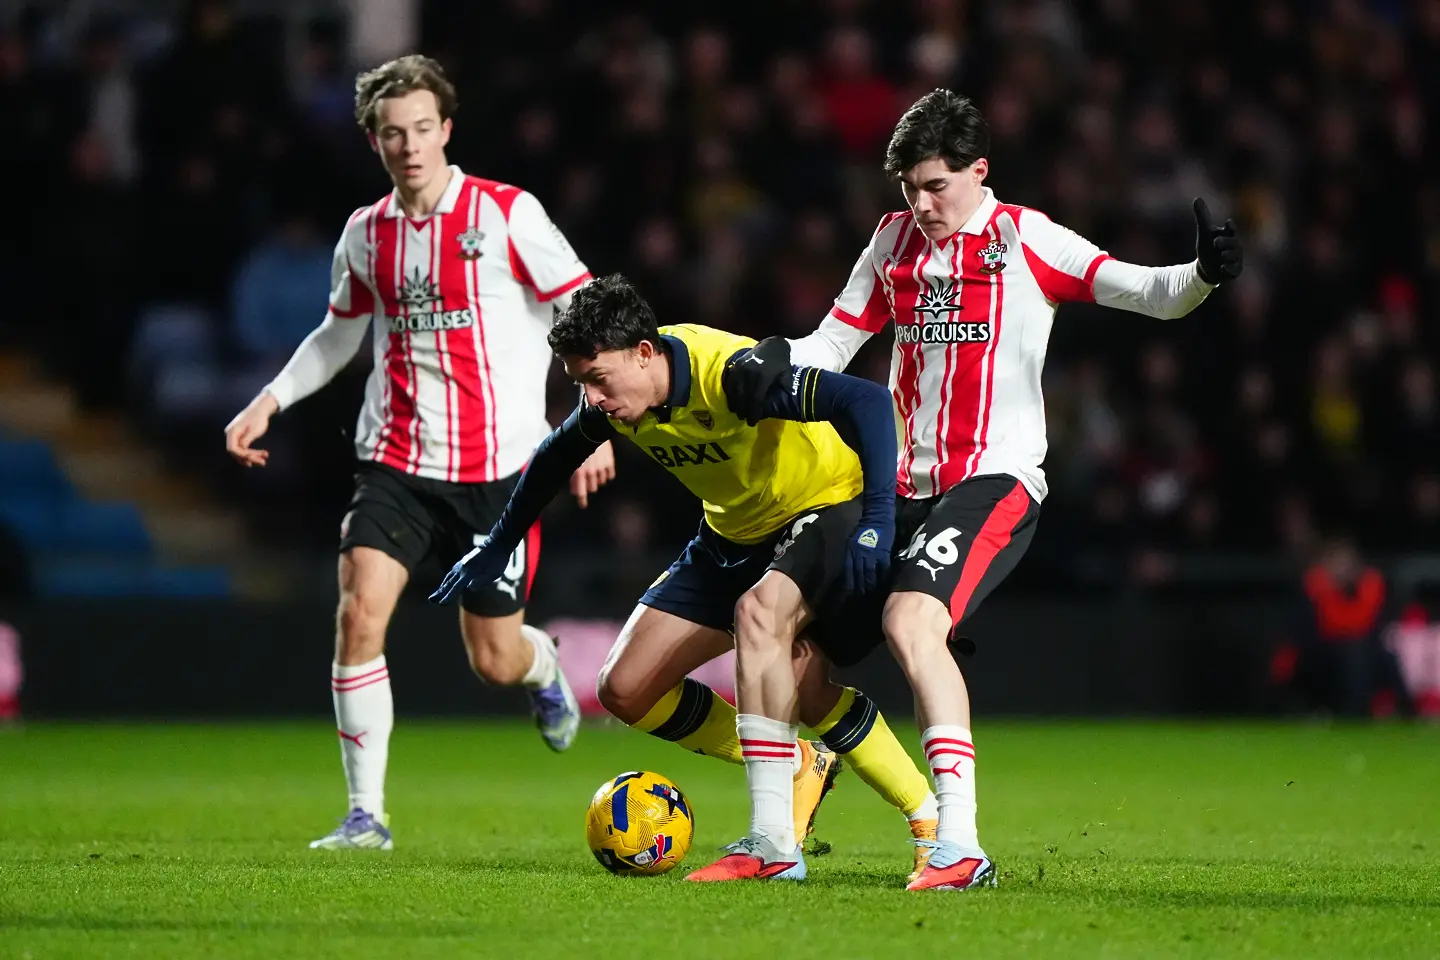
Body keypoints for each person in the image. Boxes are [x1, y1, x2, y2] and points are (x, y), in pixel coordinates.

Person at [734, 89, 1244, 891]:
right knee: (761, 611)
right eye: (908, 187)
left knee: (911, 621)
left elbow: (1146, 291)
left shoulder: (1025, 238)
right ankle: (770, 842)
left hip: (992, 480)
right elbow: (835, 339)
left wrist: (1204, 275)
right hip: (893, 485)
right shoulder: (893, 241)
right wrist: (771, 361)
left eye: (936, 186)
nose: (921, 203)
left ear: (980, 170)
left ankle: (959, 845)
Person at [222, 55, 615, 851]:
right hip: (395, 463)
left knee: (494, 660)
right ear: (374, 141)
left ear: (447, 130)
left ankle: (542, 668)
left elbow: (586, 309)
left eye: (422, 129)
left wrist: (587, 426)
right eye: (392, 133)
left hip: (501, 477)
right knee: (359, 613)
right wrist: (268, 400)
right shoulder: (367, 234)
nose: (409, 145)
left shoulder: (507, 215)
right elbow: (338, 333)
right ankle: (366, 815)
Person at [431, 275, 942, 883]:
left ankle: (846, 835)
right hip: (731, 533)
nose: (591, 399)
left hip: (824, 507)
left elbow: (863, 401)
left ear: (644, 353)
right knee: (626, 689)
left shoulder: (731, 375)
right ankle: (801, 764)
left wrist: (879, 518)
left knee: (763, 622)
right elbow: (555, 455)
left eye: (598, 379)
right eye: (580, 384)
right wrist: (500, 541)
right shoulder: (613, 400)